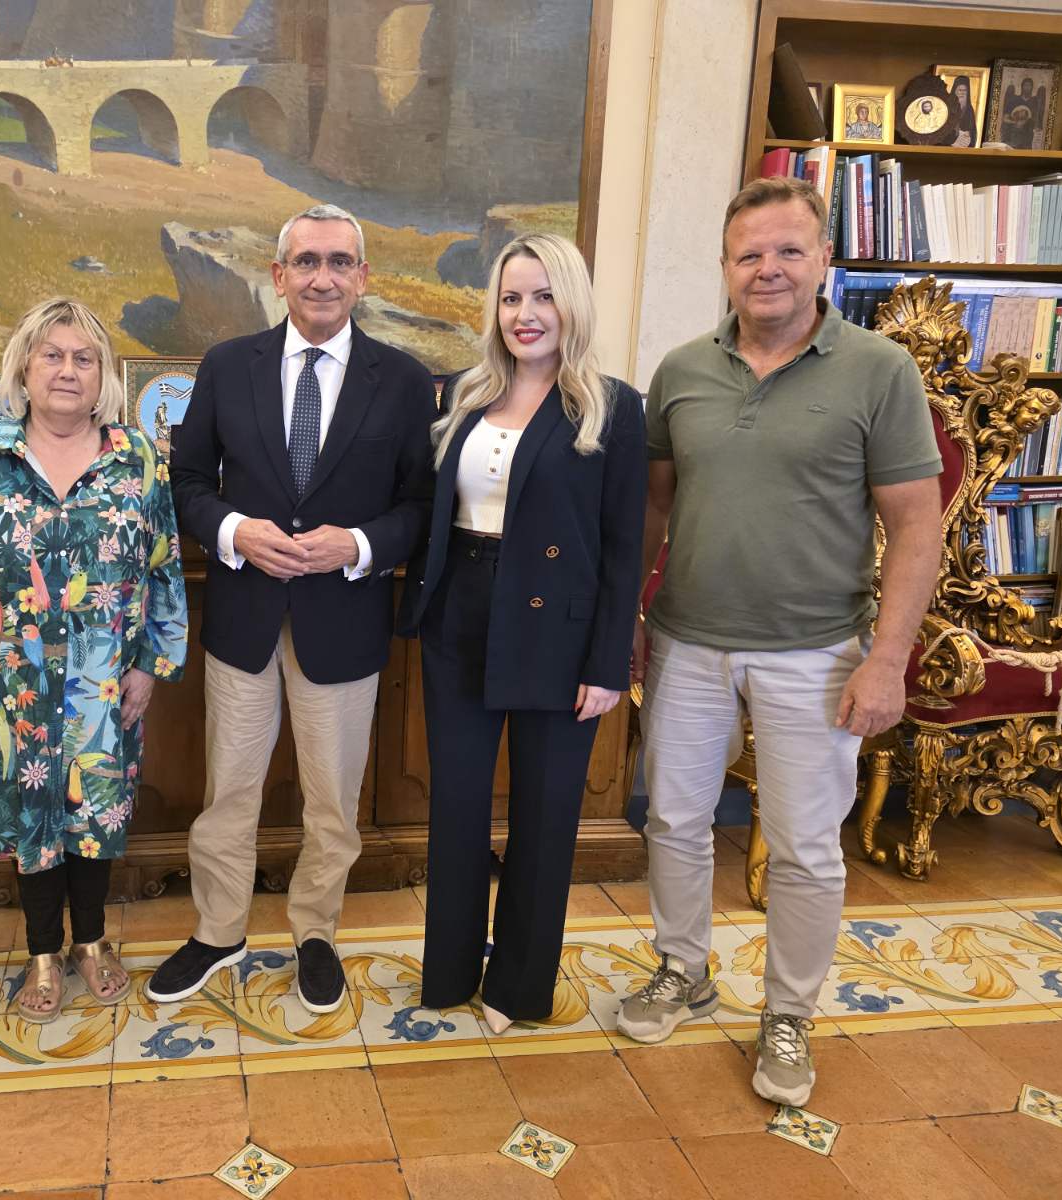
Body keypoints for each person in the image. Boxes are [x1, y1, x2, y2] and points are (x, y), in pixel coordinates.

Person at [617, 176, 943, 1107]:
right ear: (725, 267)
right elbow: (652, 510)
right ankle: (682, 968)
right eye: (749, 253)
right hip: (686, 642)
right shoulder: (682, 371)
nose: (768, 269)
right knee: (674, 821)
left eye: (789, 250)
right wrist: (627, 621)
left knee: (804, 847)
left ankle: (789, 1012)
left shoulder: (880, 370)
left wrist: (887, 660)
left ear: (823, 260)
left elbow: (916, 524)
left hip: (817, 652)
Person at [147, 204, 435, 1011]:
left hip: (343, 624)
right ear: (279, 276)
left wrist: (361, 545)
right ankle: (218, 930)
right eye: (306, 261)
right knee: (228, 793)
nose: (323, 277)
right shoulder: (226, 366)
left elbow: (421, 504)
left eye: (340, 262)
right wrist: (234, 531)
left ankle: (316, 932)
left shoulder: (403, 381)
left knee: (332, 803)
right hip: (243, 618)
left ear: (362, 278)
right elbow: (187, 483)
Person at [395, 235, 645, 1034]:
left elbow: (624, 547)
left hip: (558, 634)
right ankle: (449, 973)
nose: (525, 314)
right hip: (460, 618)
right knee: (457, 807)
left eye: (542, 296)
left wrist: (608, 663)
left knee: (545, 816)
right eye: (510, 298)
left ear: (572, 303)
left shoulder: (611, 405)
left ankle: (517, 986)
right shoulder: (465, 395)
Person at [0, 298, 188, 1022]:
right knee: (28, 812)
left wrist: (150, 665)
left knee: (96, 810)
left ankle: (92, 941)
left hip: (105, 681)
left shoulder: (137, 457)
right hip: (12, 682)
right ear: (25, 368)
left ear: (103, 375)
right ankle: (42, 951)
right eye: (53, 355)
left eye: (84, 358)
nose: (68, 370)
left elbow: (163, 568)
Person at [946, 75, 978, 147]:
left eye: (965, 90)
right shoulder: (947, 107)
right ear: (955, 91)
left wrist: (968, 134)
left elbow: (973, 131)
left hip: (964, 145)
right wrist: (956, 133)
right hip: (948, 144)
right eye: (960, 90)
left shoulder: (969, 109)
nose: (962, 93)